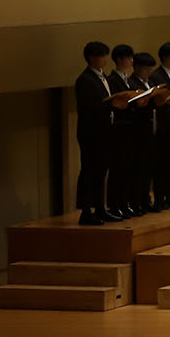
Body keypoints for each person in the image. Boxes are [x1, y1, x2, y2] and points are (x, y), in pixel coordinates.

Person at [73, 41, 115, 225]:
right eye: (101, 56)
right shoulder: (84, 80)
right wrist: (110, 104)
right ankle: (85, 211)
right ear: (91, 57)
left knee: (101, 170)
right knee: (89, 170)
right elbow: (87, 108)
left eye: (105, 55)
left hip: (105, 131)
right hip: (91, 133)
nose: (105, 59)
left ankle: (99, 207)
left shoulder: (102, 77)